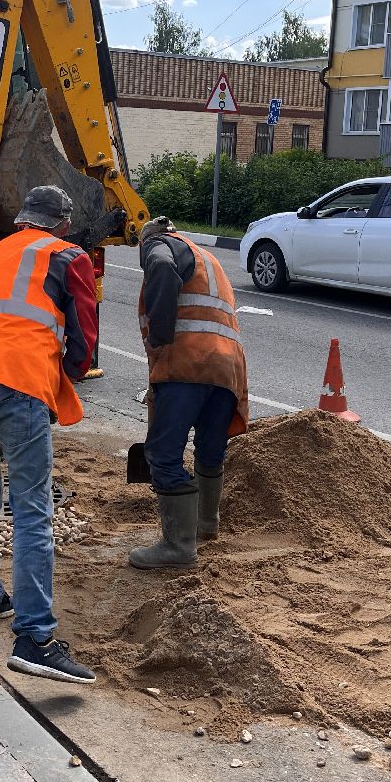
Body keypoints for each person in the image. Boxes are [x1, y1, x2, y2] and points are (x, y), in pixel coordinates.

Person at [0, 185, 99, 685]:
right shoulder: (66, 255)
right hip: (18, 387)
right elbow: (84, 342)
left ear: (21, 220)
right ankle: (35, 637)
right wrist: (59, 381)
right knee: (32, 511)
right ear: (63, 224)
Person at [130, 215, 248, 569]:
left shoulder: (159, 246)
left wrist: (160, 337)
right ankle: (205, 524)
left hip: (188, 364)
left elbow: (162, 268)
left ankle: (178, 547)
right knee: (210, 448)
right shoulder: (204, 257)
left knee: (164, 455)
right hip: (227, 368)